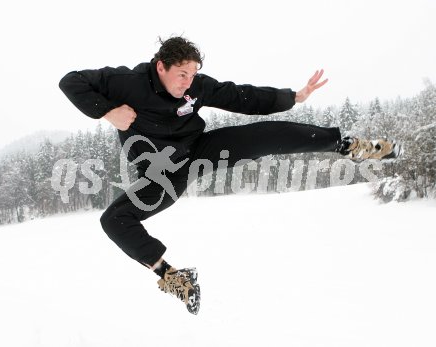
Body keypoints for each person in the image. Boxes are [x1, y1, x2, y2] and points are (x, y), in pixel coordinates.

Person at [59, 36, 400, 315]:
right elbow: (70, 81)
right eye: (181, 74)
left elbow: (243, 97)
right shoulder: (127, 83)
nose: (187, 83)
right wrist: (106, 111)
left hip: (200, 149)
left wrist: (292, 97)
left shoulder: (197, 87)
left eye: (193, 75)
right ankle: (174, 277)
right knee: (113, 219)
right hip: (161, 175)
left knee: (262, 136)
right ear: (160, 66)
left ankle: (349, 146)